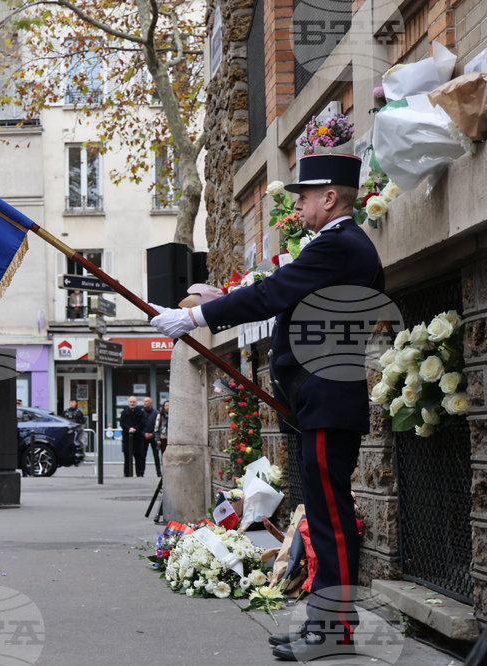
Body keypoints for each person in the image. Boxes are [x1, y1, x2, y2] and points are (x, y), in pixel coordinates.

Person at [151, 154, 382, 662]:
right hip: (315, 401)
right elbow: (281, 294)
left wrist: (197, 317)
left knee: (331, 517)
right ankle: (327, 623)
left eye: (305, 196)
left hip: (327, 401)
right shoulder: (333, 247)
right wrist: (222, 300)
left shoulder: (342, 245)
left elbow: (275, 293)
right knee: (323, 514)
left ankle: (336, 628)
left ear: (330, 198)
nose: (297, 204)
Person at [118, 396, 145, 478]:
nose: (132, 403)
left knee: (138, 457)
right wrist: (129, 428)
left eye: (134, 402)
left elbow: (142, 423)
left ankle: (139, 473)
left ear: (136, 403)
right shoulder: (124, 412)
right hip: (127, 437)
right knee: (127, 457)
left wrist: (135, 429)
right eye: (131, 402)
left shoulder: (140, 412)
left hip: (137, 437)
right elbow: (122, 423)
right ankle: (127, 473)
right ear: (128, 402)